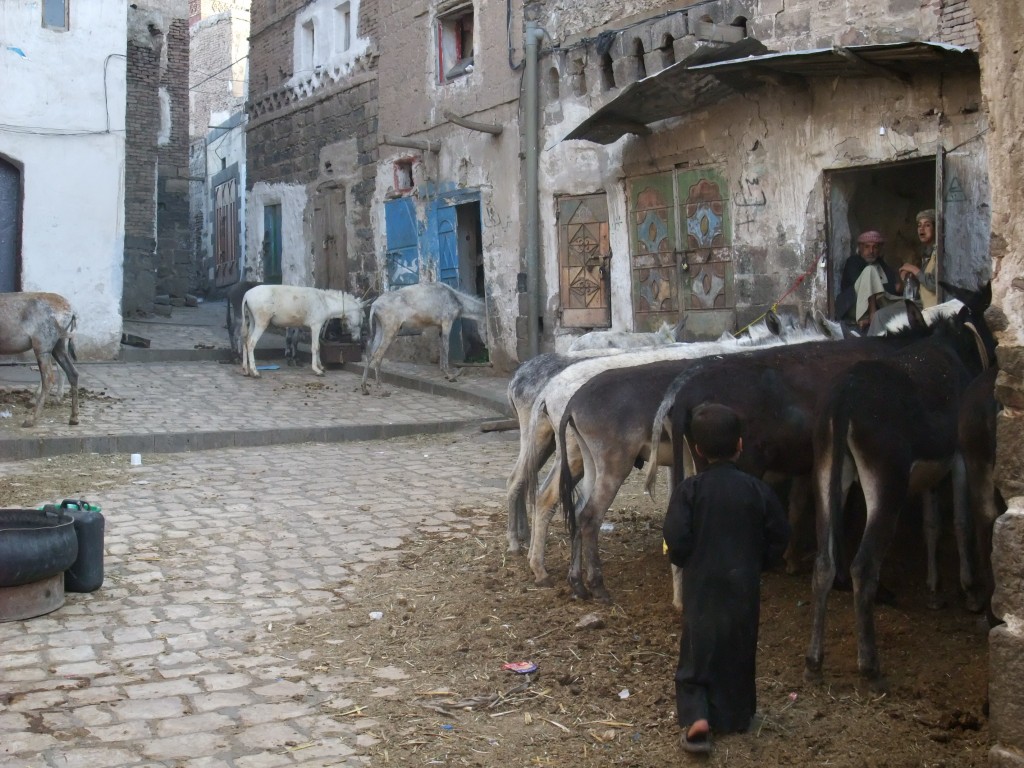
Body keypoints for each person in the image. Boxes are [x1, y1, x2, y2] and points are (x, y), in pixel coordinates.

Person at [663, 403, 790, 755]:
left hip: (702, 586)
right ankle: (735, 715)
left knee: (697, 651)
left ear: (698, 450)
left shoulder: (689, 491)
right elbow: (780, 535)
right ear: (740, 445)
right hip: (742, 585)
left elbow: (675, 537)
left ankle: (697, 717)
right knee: (739, 648)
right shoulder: (758, 490)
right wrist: (760, 563)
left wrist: (687, 561)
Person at [835, 230, 902, 330]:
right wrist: (890, 287)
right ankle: (870, 315)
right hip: (854, 307)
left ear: (879, 249)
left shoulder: (880, 263)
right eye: (867, 247)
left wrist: (898, 286)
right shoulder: (853, 262)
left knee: (908, 303)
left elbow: (893, 288)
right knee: (870, 270)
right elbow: (864, 287)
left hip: (880, 305)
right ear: (860, 248)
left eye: (875, 247)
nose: (871, 251)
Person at [898, 209, 938, 309]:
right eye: (919, 225)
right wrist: (910, 275)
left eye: (927, 225)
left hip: (934, 308)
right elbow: (923, 281)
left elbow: (934, 284)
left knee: (881, 315)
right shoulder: (927, 253)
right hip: (923, 303)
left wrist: (913, 269)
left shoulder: (940, 253)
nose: (921, 229)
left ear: (936, 228)